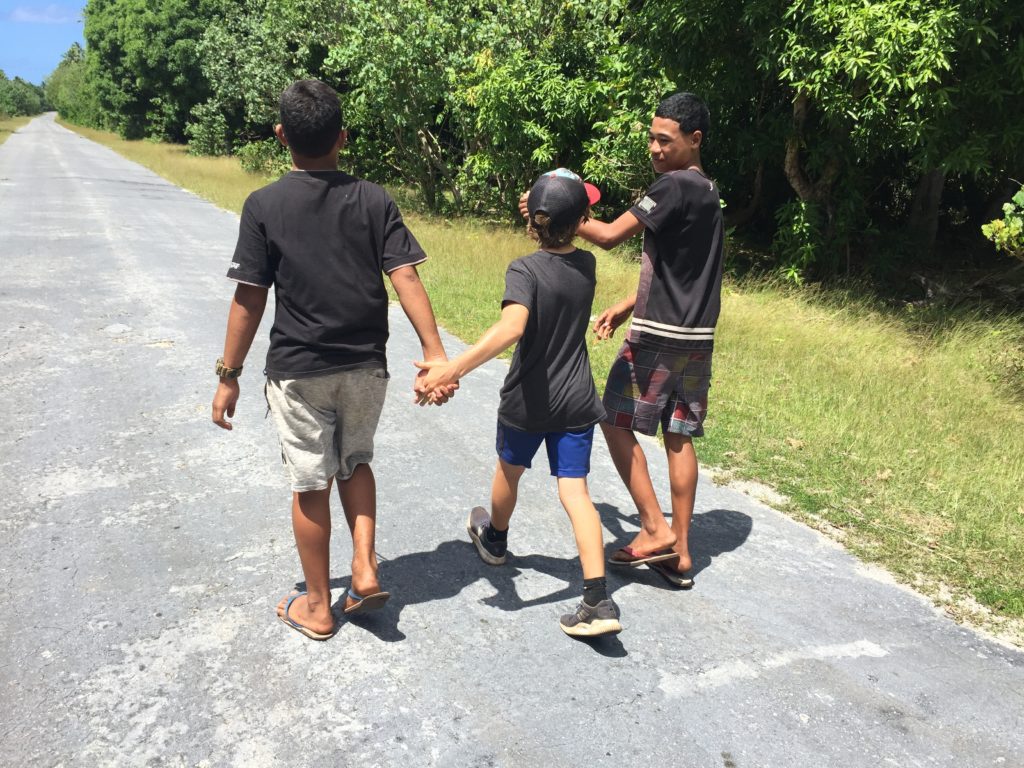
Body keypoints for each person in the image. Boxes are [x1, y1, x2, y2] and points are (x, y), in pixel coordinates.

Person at [211, 79, 452, 640]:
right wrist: (436, 353)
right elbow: (405, 275)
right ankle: (365, 568)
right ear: (342, 137)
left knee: (310, 482)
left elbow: (249, 297)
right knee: (356, 461)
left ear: (280, 136)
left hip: (299, 372)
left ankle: (317, 607)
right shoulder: (374, 198)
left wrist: (228, 376)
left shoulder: (264, 204)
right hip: (366, 364)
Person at [525, 92, 724, 589]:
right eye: (652, 138)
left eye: (665, 139)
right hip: (696, 335)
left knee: (612, 419)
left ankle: (654, 528)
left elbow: (611, 234)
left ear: (694, 140)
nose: (655, 148)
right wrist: (626, 302)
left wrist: (553, 211)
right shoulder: (706, 190)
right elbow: (682, 272)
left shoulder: (673, 186)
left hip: (657, 336)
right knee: (678, 436)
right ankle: (681, 551)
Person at [415, 169, 623, 637]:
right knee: (576, 494)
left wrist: (452, 368)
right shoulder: (587, 266)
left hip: (528, 401)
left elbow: (512, 328)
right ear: (583, 219)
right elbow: (567, 231)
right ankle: (597, 599)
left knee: (509, 471)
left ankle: (495, 539)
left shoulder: (524, 269)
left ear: (534, 222)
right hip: (575, 400)